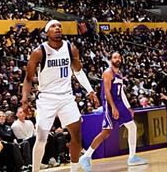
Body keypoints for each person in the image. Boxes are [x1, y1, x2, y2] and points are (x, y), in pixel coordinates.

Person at [20, 20, 99, 172]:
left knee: (76, 135)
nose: (57, 28)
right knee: (41, 138)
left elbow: (78, 71)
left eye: (59, 26)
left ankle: (74, 169)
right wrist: (25, 100)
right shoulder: (39, 52)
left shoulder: (70, 48)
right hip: (46, 98)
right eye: (53, 26)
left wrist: (90, 90)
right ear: (47, 32)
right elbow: (28, 78)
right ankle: (35, 170)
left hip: (66, 97)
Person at [79, 52, 146, 170]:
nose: (118, 59)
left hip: (120, 103)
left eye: (119, 57)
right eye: (115, 57)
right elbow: (107, 91)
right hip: (110, 104)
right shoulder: (108, 72)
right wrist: (113, 107)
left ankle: (132, 157)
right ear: (111, 60)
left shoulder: (119, 74)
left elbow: (122, 92)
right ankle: (86, 156)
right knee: (106, 132)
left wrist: (128, 107)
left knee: (132, 127)